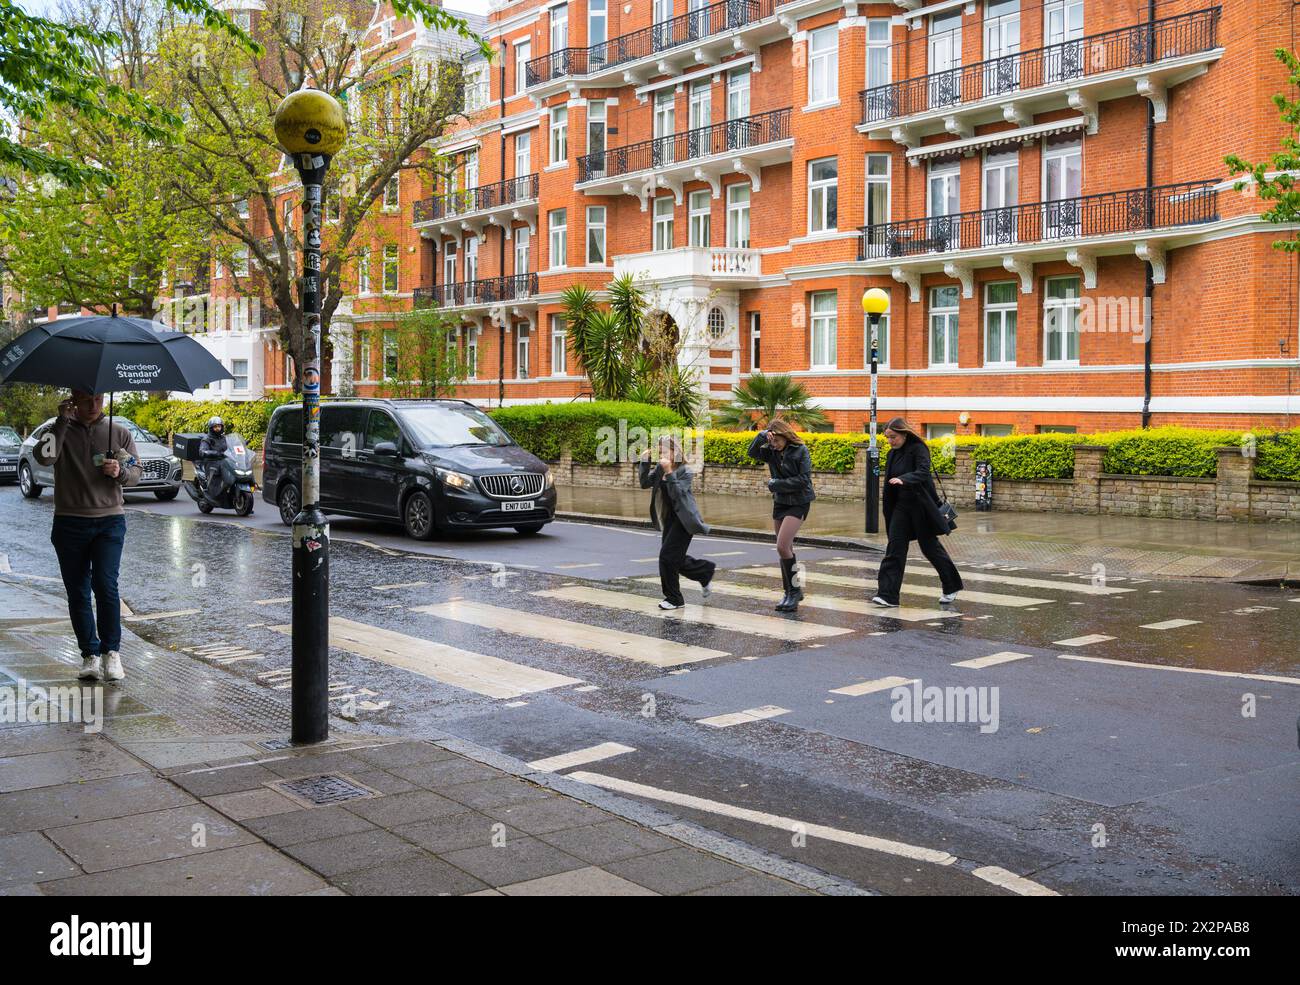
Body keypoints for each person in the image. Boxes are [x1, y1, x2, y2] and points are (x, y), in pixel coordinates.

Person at [34, 391, 142, 682]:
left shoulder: (118, 433)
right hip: (69, 521)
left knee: (105, 585)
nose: (93, 406)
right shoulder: (57, 431)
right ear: (73, 401)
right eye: (86, 400)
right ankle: (89, 655)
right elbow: (44, 458)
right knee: (78, 591)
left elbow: (136, 473)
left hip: (109, 521)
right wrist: (60, 422)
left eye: (97, 399)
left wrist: (119, 471)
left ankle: (111, 653)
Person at [871, 417, 963, 608]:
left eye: (893, 437)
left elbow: (923, 472)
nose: (890, 441)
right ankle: (888, 595)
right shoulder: (892, 454)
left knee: (930, 547)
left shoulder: (919, 449)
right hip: (901, 508)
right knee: (894, 548)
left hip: (921, 507)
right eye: (887, 437)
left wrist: (904, 479)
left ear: (904, 434)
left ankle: (951, 585)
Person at [639, 435, 715, 610]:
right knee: (674, 559)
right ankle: (705, 572)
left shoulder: (685, 471)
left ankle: (674, 599)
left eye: (664, 451)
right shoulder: (659, 468)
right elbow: (644, 483)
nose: (661, 455)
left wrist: (669, 473)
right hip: (668, 518)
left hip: (684, 520)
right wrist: (644, 462)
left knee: (666, 557)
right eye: (658, 452)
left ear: (674, 452)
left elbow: (679, 495)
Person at [748, 418, 815, 612]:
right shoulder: (771, 451)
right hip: (781, 502)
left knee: (782, 546)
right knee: (785, 549)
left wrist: (776, 484)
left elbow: (804, 480)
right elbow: (752, 452)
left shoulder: (800, 450)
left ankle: (793, 592)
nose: (774, 446)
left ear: (785, 436)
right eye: (771, 442)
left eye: (777, 441)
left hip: (799, 502)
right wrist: (761, 435)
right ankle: (790, 591)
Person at [199, 416, 229, 502]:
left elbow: (231, 446)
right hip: (211, 461)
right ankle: (214, 494)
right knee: (218, 471)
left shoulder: (224, 438)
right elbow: (202, 451)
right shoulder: (207, 439)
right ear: (211, 428)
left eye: (219, 426)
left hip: (224, 461)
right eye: (215, 427)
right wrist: (214, 453)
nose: (217, 428)